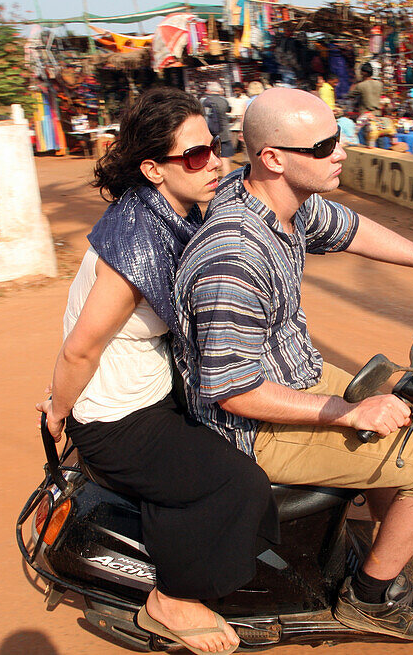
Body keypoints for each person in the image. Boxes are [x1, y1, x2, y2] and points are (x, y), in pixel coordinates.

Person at [174, 88, 413, 642]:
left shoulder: (279, 203)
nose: (339, 153)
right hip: (256, 425)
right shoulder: (233, 255)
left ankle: (384, 537)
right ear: (273, 158)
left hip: (294, 373)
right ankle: (370, 596)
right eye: (323, 145)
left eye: (339, 137)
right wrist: (348, 414)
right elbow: (233, 391)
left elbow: (347, 227)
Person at [38, 87, 277, 655]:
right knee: (241, 483)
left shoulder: (174, 208)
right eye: (195, 156)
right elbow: (79, 350)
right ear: (153, 169)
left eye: (215, 147)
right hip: (115, 416)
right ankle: (170, 598)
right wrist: (58, 411)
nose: (214, 162)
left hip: (153, 387)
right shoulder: (134, 247)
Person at [201, 81, 236, 176]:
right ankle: (227, 179)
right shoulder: (223, 101)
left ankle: (212, 178)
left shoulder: (204, 101)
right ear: (219, 90)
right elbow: (228, 110)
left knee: (209, 158)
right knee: (225, 159)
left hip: (209, 134)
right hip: (224, 133)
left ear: (208, 90)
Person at [227, 82, 249, 153]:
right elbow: (228, 112)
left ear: (242, 90)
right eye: (234, 90)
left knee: (245, 146)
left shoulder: (246, 99)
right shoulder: (230, 100)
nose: (236, 92)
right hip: (233, 126)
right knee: (232, 145)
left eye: (237, 90)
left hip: (243, 126)